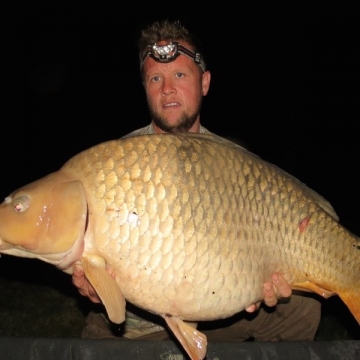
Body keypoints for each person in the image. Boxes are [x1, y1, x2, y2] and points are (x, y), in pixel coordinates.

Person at [73, 19, 321, 342]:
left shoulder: (236, 165)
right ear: (145, 88)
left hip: (217, 312)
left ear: (204, 82)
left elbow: (264, 247)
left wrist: (266, 278)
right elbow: (91, 268)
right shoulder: (117, 168)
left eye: (179, 75)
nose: (167, 89)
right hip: (136, 328)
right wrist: (92, 285)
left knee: (302, 308)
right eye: (155, 78)